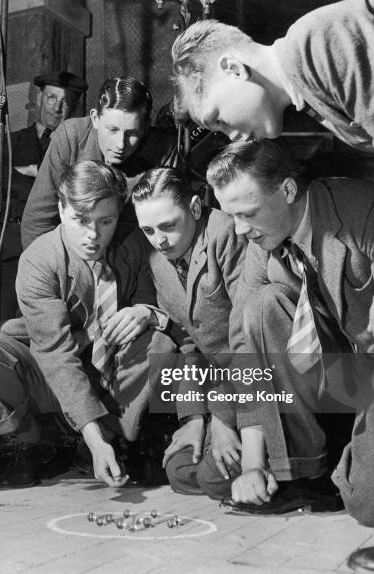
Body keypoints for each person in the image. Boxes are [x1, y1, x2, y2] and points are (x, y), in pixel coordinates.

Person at [170, 3, 374, 354]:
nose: (232, 136)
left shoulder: (317, 42)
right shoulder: (313, 98)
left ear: (233, 69)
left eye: (218, 117)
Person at [207, 140, 374, 531]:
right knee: (261, 307)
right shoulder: (263, 239)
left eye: (247, 213)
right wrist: (254, 465)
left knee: (371, 505)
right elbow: (246, 351)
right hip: (340, 380)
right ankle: (304, 476)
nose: (240, 230)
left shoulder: (366, 209)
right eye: (232, 217)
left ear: (289, 190)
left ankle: (354, 460)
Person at [0, 160, 175, 488]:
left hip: (112, 375)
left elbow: (162, 303)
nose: (92, 235)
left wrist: (146, 312)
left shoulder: (135, 244)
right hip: (51, 372)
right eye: (80, 220)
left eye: (106, 221)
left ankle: (121, 440)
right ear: (60, 209)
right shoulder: (39, 261)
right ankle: (26, 442)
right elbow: (55, 355)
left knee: (161, 345)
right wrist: (92, 436)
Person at [131, 167, 247, 497]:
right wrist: (194, 418)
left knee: (213, 478)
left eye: (168, 225)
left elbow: (249, 338)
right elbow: (187, 344)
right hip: (219, 387)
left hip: (262, 377)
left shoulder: (228, 234)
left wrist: (223, 421)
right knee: (180, 472)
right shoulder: (158, 258)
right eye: (148, 230)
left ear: (195, 208)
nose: (159, 239)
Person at [20, 75, 175, 249]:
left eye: (132, 133)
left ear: (146, 128)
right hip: (73, 254)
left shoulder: (163, 148)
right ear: (95, 118)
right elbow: (37, 222)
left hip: (133, 256)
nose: (120, 145)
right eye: (112, 130)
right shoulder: (70, 137)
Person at [0, 70, 87, 220]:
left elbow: (77, 186)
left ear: (74, 108)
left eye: (65, 102)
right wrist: (45, 185)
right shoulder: (12, 140)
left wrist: (31, 170)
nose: (56, 108)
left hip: (53, 233)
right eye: (51, 98)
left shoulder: (78, 147)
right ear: (39, 99)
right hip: (11, 234)